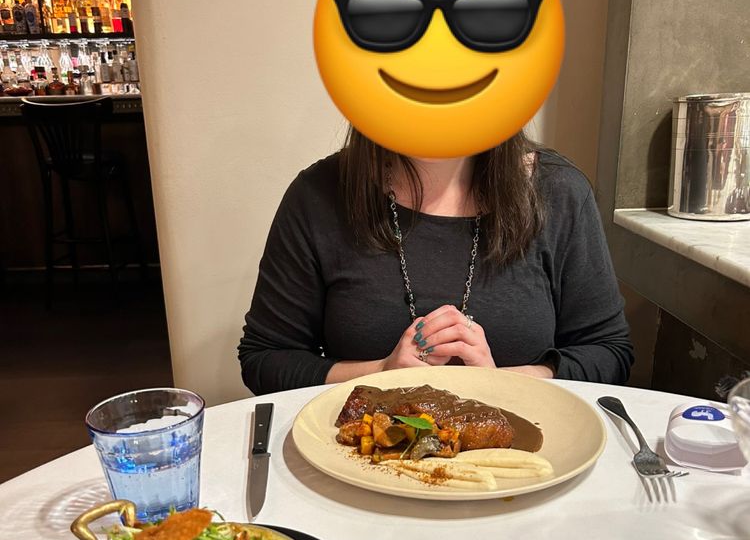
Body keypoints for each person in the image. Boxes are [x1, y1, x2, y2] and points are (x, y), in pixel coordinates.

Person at [238, 126, 633, 395]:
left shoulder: (559, 192)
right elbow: (266, 358)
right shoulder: (319, 194)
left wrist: (500, 383)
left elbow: (607, 352)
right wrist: (382, 373)